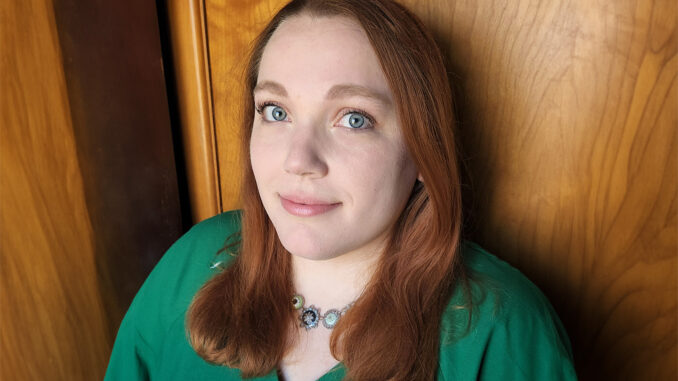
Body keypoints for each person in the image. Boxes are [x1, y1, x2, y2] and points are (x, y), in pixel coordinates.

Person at [104, 0, 577, 380]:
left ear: (421, 151)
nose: (298, 161)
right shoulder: (190, 265)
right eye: (275, 111)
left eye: (355, 119)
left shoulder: (502, 329)